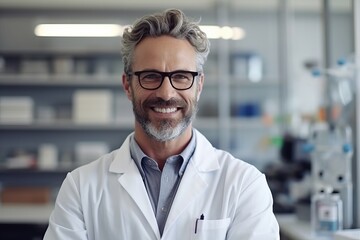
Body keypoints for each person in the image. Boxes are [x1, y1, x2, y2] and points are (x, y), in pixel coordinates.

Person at [44, 9, 279, 240]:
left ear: (198, 85)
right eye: (150, 76)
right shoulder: (80, 187)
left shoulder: (245, 185)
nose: (166, 93)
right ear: (127, 85)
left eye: (181, 76)